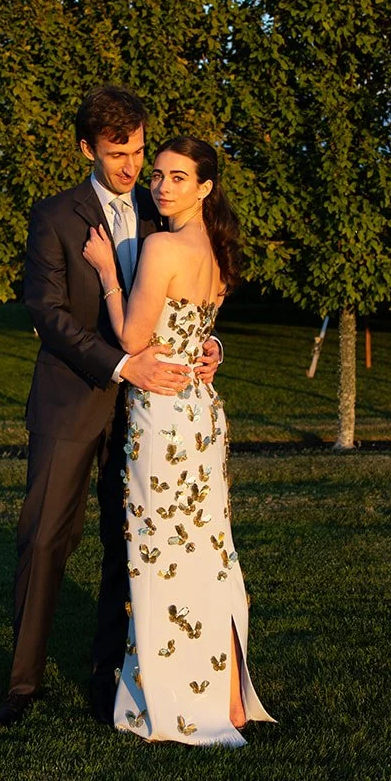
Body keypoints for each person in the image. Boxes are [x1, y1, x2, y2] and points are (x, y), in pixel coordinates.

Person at [0, 86, 222, 728]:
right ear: (86, 149)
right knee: (45, 540)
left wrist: (210, 345)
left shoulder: (161, 208)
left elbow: (191, 290)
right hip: (71, 402)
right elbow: (48, 313)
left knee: (130, 542)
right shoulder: (53, 215)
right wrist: (122, 364)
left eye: (139, 152)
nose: (133, 167)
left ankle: (109, 677)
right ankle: (22, 684)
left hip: (146, 415)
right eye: (119, 154)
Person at [81, 136, 273, 746]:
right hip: (202, 414)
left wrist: (108, 273)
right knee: (210, 556)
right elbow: (199, 333)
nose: (162, 187)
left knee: (161, 555)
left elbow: (132, 338)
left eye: (178, 178)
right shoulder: (216, 248)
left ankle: (186, 701)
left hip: (163, 417)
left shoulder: (162, 246)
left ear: (205, 188)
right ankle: (229, 698)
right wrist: (212, 348)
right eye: (158, 175)